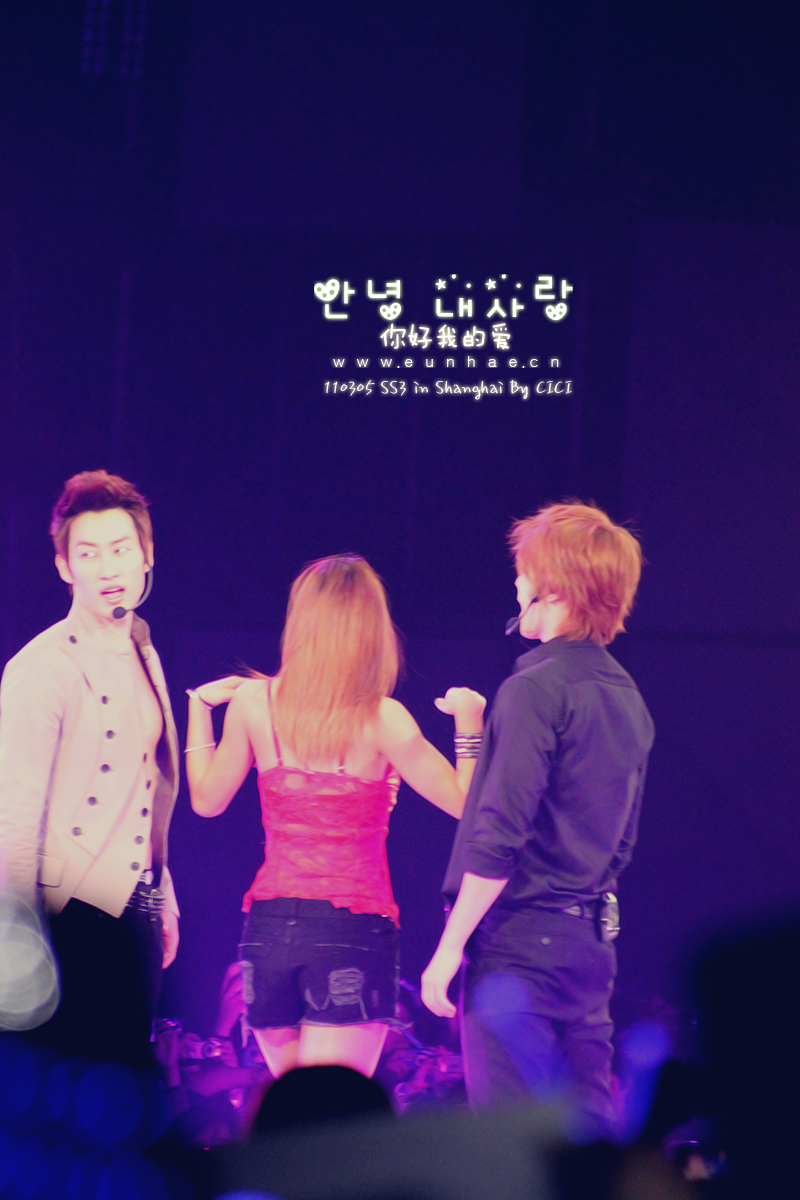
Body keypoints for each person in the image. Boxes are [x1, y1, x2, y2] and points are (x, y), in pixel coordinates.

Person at [184, 555, 485, 1080]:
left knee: (293, 1109)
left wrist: (197, 707)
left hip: (269, 931)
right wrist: (469, 721)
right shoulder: (383, 717)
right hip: (352, 929)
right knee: (335, 1113)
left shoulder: (253, 702)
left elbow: (206, 801)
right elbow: (469, 804)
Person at [421, 503, 655, 1133]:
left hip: (519, 948)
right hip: (590, 949)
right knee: (587, 1143)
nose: (516, 582)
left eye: (523, 571)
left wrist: (450, 946)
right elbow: (621, 842)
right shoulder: (628, 698)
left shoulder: (534, 688)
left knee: (512, 1149)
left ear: (553, 587)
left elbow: (499, 832)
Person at [0, 471, 180, 1066]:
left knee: (127, 1085)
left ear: (147, 555)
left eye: (121, 550)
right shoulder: (42, 666)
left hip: (137, 907)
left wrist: (164, 894)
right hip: (69, 915)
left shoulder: (143, 651)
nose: (108, 569)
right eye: (88, 553)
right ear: (64, 567)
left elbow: (146, 787)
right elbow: (14, 818)